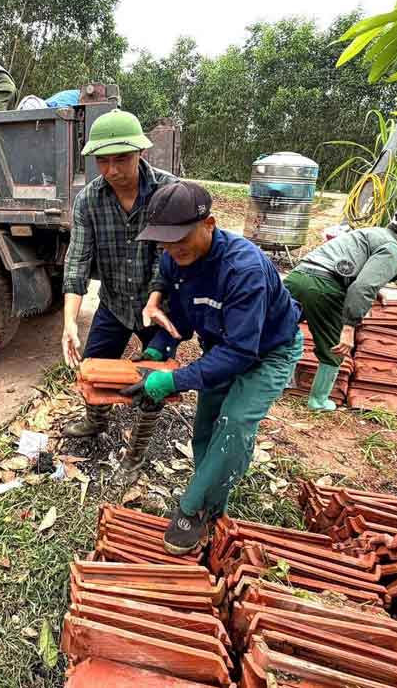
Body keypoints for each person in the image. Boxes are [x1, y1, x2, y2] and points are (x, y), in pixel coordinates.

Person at [124, 181, 303, 554]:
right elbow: (183, 315)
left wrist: (174, 380)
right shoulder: (174, 258)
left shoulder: (244, 269)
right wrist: (160, 349)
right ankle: (211, 493)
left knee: (235, 422)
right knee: (206, 425)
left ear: (209, 223)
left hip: (267, 352)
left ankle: (194, 508)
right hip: (221, 346)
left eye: (181, 237)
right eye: (165, 242)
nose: (173, 249)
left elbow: (241, 352)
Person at [59, 109, 179, 438]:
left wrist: (153, 303)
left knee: (153, 378)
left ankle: (139, 445)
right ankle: (95, 421)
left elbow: (167, 260)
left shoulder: (169, 193)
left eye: (122, 159)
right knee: (94, 367)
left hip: (159, 311)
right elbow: (77, 261)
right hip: (113, 305)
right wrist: (70, 320)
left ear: (141, 152)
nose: (112, 170)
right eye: (103, 161)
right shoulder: (88, 201)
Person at [283, 208, 397, 412]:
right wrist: (349, 326)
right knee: (334, 348)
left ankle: (277, 385)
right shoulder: (393, 249)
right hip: (322, 288)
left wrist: (372, 289)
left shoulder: (371, 232)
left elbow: (356, 271)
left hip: (297, 278)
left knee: (282, 330)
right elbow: (362, 287)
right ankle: (318, 401)